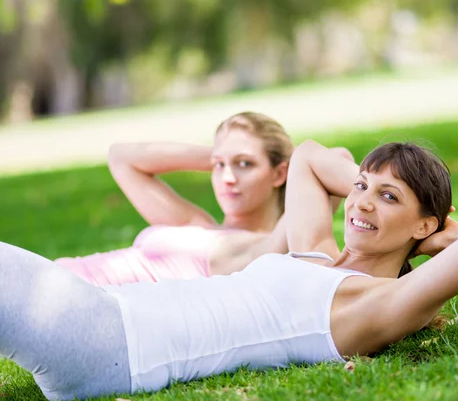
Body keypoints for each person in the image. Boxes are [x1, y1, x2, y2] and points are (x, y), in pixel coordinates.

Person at [0, 140, 458, 401]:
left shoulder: (377, 304)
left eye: (389, 198)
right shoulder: (317, 254)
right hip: (111, 314)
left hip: (118, 345)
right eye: (360, 188)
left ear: (424, 224)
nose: (361, 203)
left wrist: (443, 236)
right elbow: (313, 157)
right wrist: (375, 188)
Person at [55, 112, 349, 283]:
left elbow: (337, 158)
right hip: (58, 275)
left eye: (245, 164)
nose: (227, 177)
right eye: (219, 166)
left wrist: (301, 167)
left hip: (74, 299)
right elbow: (121, 157)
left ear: (279, 173)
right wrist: (220, 155)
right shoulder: (197, 224)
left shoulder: (265, 249)